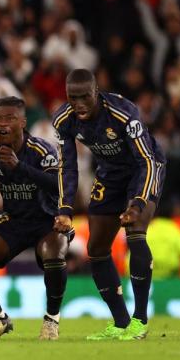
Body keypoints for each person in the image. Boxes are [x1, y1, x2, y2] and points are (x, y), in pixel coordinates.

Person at [52, 69, 165, 340]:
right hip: (110, 174)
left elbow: (146, 160)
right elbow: (67, 167)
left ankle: (140, 321)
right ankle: (121, 323)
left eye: (84, 97)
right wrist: (65, 209)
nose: (78, 103)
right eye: (72, 97)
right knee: (96, 248)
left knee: (135, 232)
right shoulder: (63, 120)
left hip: (144, 169)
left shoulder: (124, 113)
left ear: (97, 93)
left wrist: (137, 202)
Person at [0, 96, 72, 340]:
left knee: (54, 252)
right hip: (14, 221)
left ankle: (51, 320)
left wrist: (21, 168)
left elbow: (59, 187)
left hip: (47, 221)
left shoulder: (41, 149)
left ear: (23, 122)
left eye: (10, 118)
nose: (3, 124)